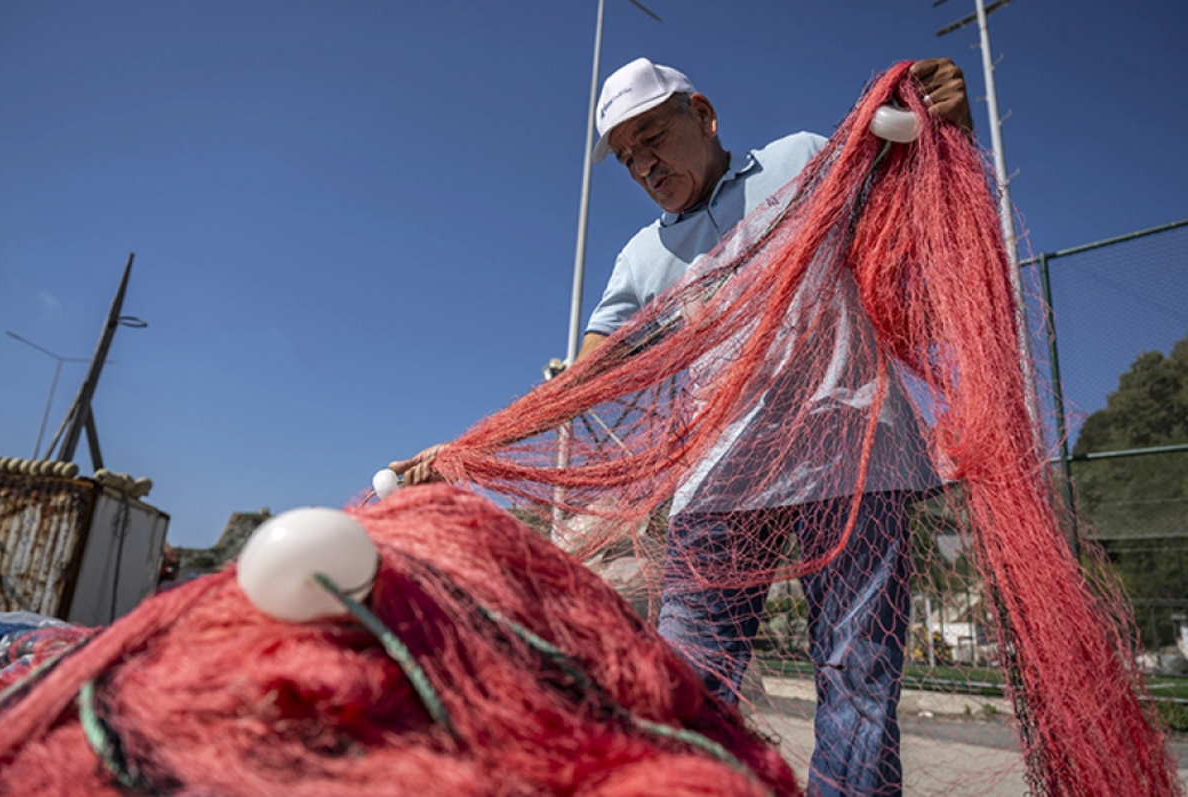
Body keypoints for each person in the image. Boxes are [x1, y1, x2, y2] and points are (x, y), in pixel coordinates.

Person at [392, 56, 971, 797]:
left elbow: (909, 204)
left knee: (859, 678)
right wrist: (470, 449)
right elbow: (584, 377)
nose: (643, 163)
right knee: (688, 687)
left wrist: (943, 126)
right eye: (628, 156)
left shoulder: (800, 159)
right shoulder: (642, 258)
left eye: (652, 135)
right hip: (720, 484)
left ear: (703, 113)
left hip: (851, 455)